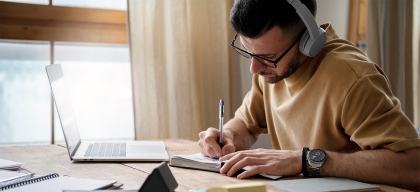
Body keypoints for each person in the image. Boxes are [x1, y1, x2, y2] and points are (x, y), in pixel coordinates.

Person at [197, 0, 420, 191]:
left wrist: (306, 160)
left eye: (267, 57)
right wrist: (229, 138)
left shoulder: (353, 79)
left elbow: (413, 167)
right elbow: (246, 124)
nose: (254, 69)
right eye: (248, 52)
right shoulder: (271, 70)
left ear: (307, 42)